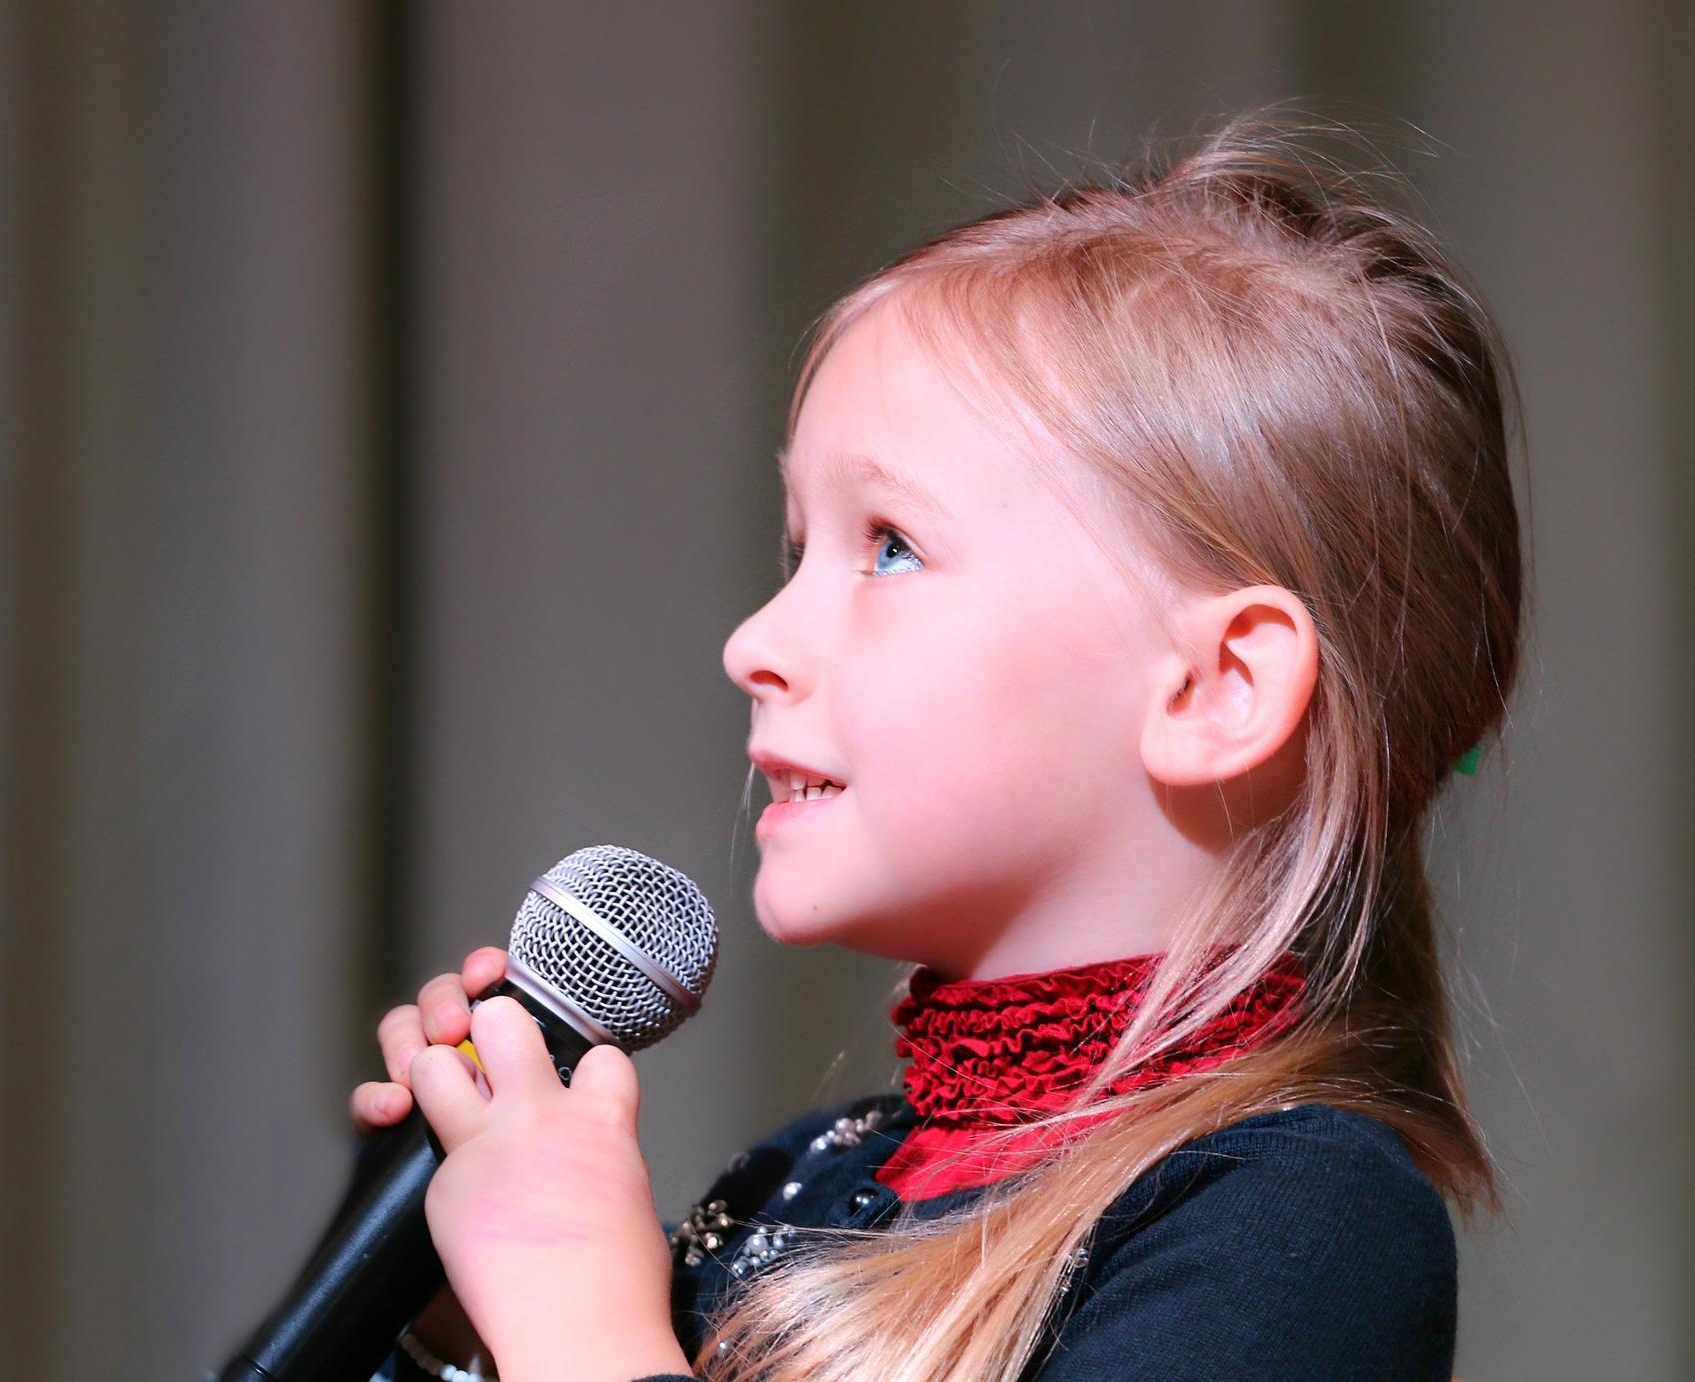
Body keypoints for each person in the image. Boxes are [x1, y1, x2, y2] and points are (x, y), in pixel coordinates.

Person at [351, 111, 1525, 1382]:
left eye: (891, 546)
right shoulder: (793, 1181)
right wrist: (465, 1335)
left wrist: (583, 1330)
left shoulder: (1294, 1217)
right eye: (797, 550)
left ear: (1217, 684)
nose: (754, 640)